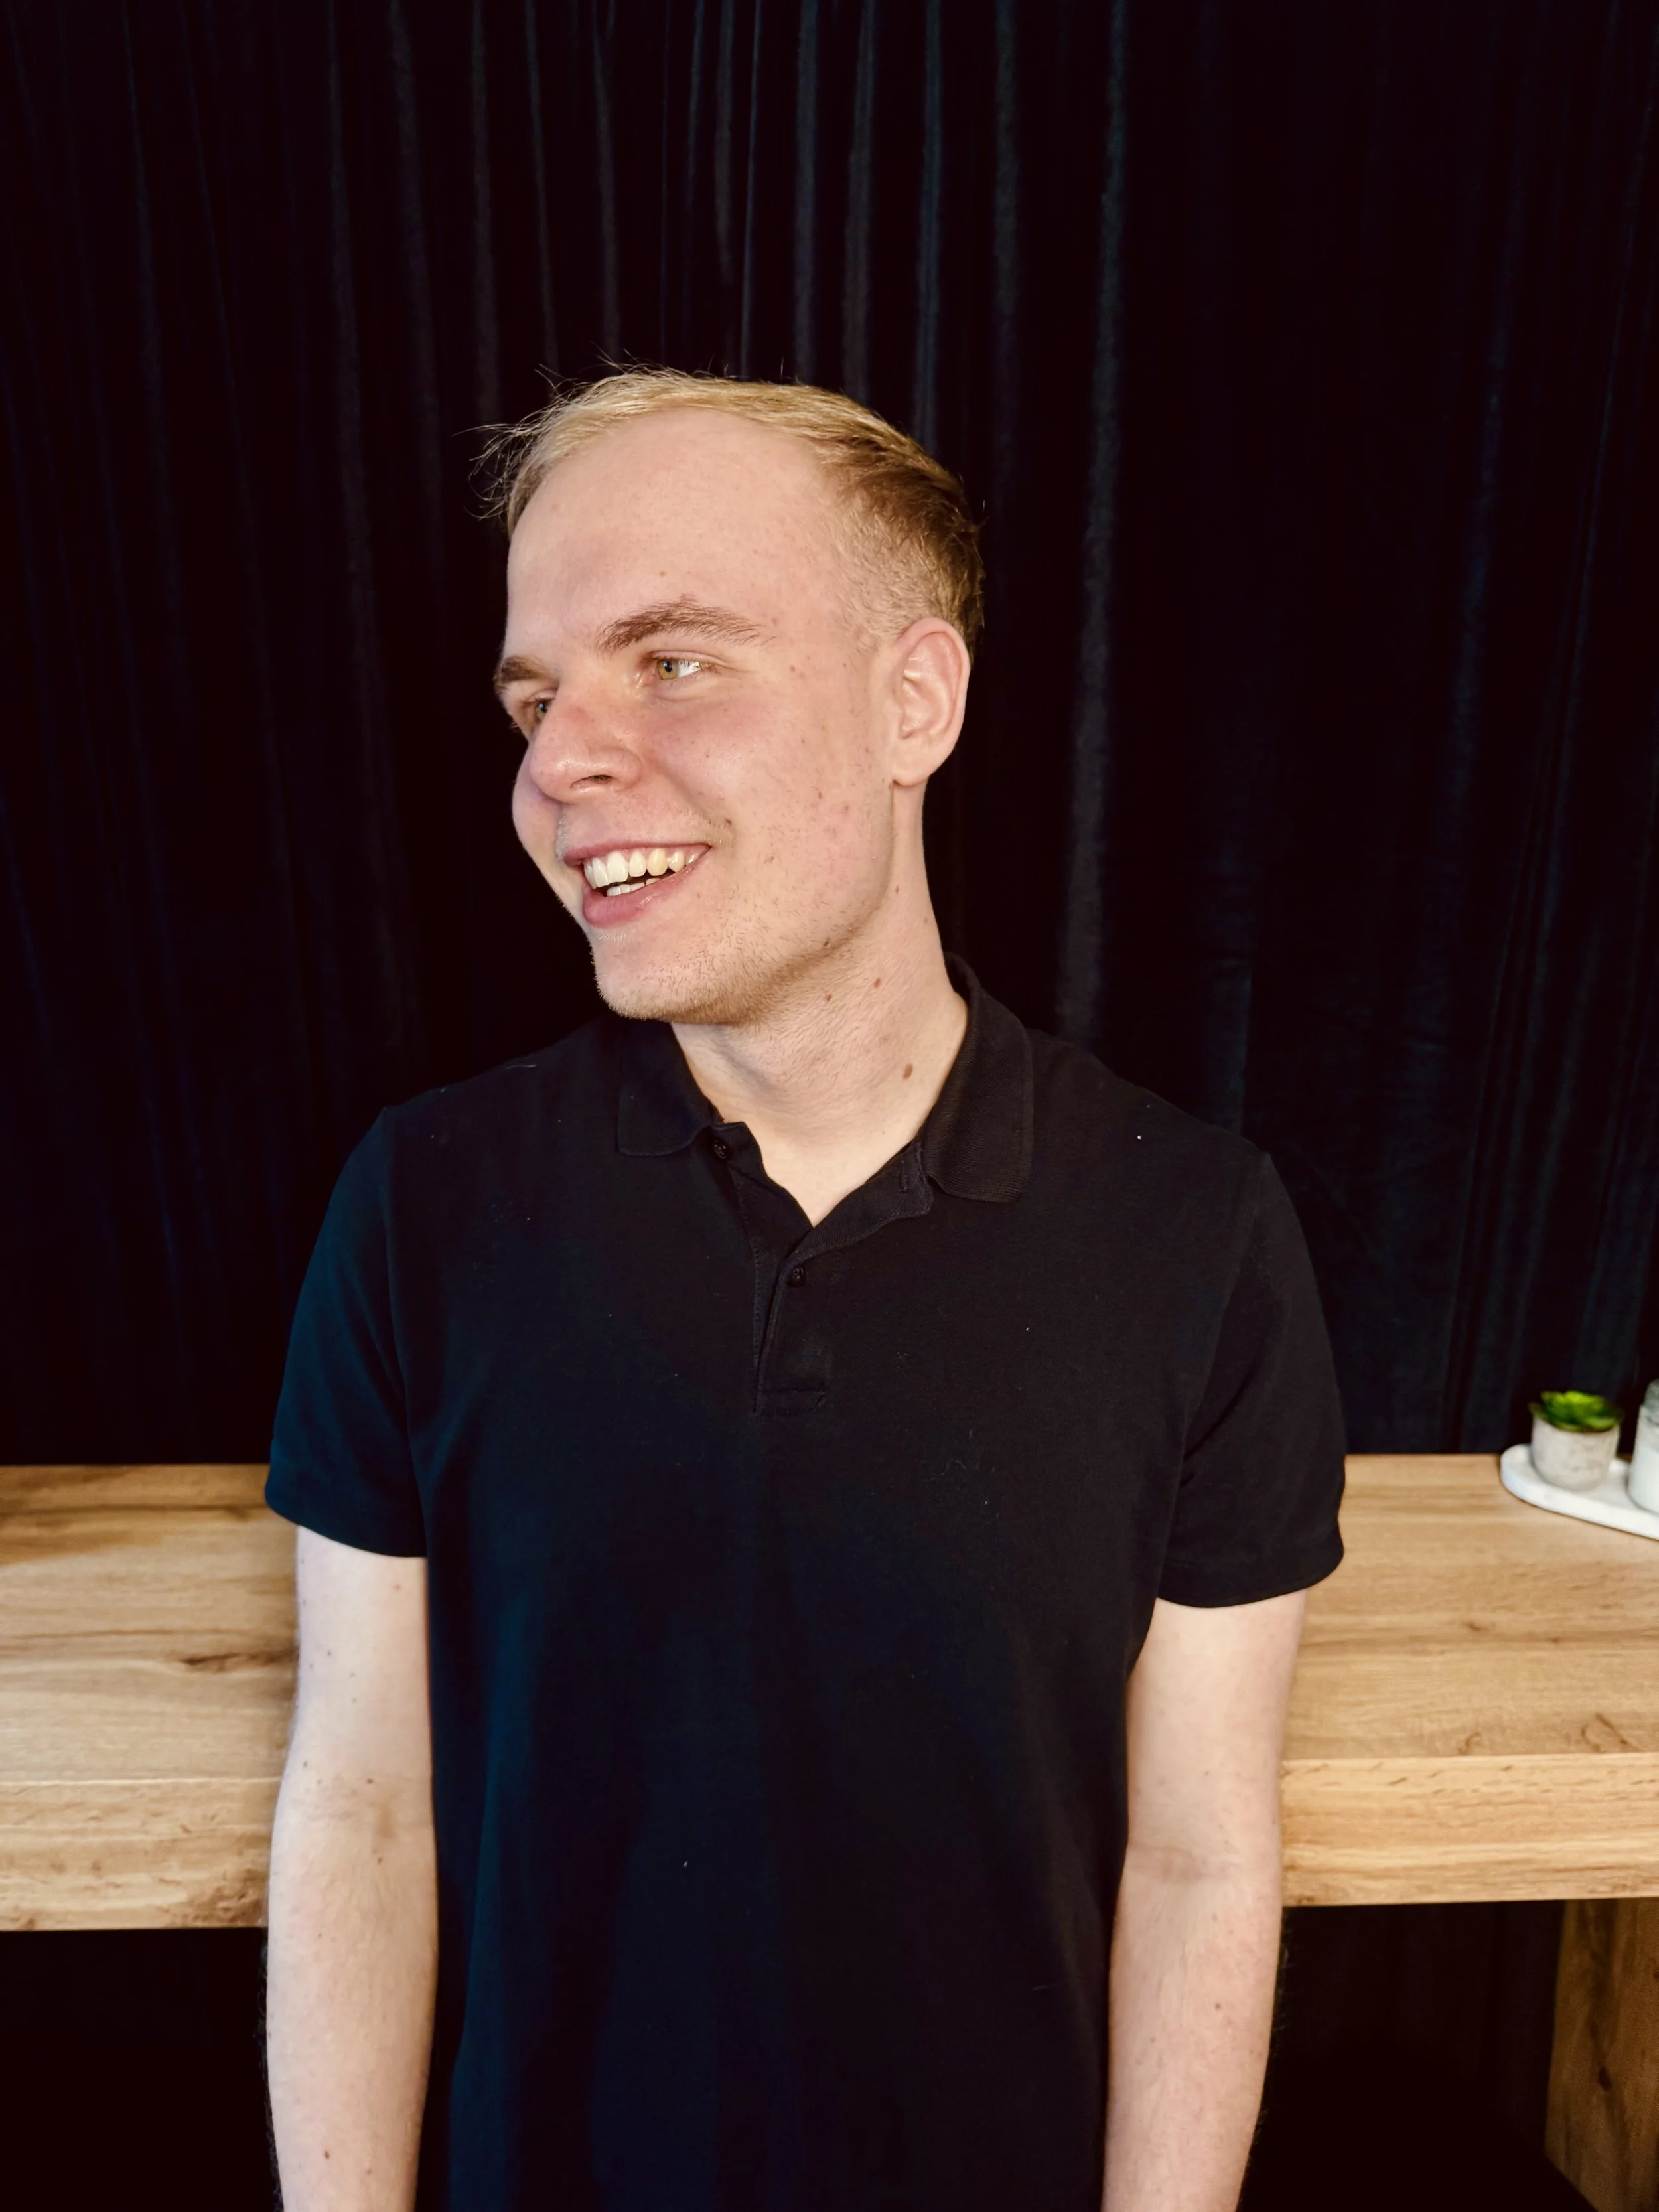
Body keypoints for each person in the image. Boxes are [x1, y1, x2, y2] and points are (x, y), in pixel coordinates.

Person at [263, 369, 1345, 2212]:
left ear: (914, 700)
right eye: (537, 697)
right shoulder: (423, 1207)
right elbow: (361, 1805)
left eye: (671, 661)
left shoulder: (1200, 1234)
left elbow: (1193, 1859)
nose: (560, 761)